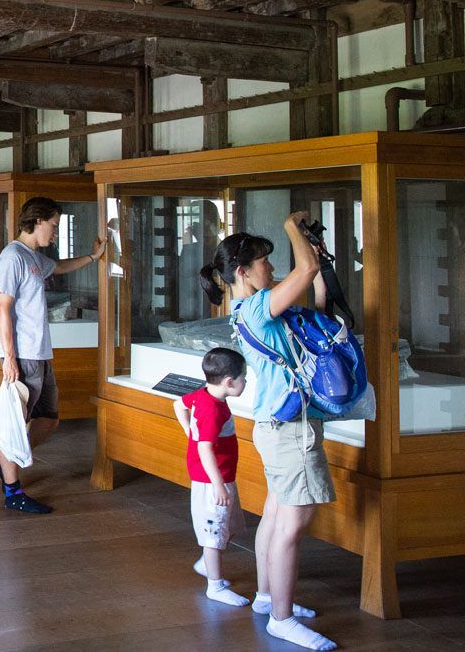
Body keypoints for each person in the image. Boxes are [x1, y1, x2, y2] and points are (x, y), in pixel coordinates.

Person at [199, 214, 335, 651]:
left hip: (275, 424)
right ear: (243, 272)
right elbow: (306, 271)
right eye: (264, 263)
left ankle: (267, 597)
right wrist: (291, 227)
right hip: (289, 431)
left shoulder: (246, 309)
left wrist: (312, 256)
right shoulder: (258, 306)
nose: (271, 270)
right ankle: (282, 617)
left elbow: (312, 291)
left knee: (276, 517)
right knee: (292, 524)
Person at [0, 197, 104, 514]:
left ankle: (8, 460)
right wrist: (10, 357)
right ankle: (13, 490)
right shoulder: (12, 256)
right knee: (16, 422)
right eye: (53, 225)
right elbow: (3, 307)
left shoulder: (33, 257)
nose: (55, 232)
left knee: (49, 420)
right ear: (37, 221)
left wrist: (93, 258)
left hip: (40, 353)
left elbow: (60, 266)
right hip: (23, 355)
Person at [172, 347, 250, 608]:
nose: (245, 382)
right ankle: (214, 585)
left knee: (228, 526)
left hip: (221, 476)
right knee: (214, 532)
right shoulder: (213, 410)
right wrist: (218, 485)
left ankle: (208, 564)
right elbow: (205, 448)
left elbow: (178, 404)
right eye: (243, 378)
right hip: (212, 481)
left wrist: (188, 432)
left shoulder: (203, 395)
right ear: (229, 382)